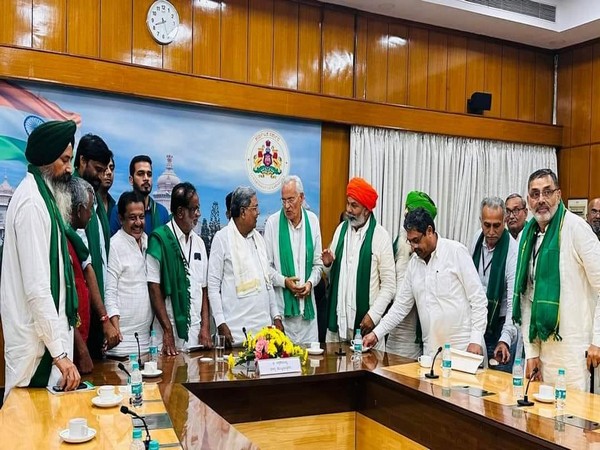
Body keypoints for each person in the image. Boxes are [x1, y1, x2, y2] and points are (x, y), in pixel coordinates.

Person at [1, 120, 81, 398]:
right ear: (47, 159)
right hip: (36, 353)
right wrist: (59, 354)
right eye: (65, 160)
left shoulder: (43, 198)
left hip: (47, 345)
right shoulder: (32, 203)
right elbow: (37, 287)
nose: (70, 169)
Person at [513, 169, 600, 391]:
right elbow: (526, 298)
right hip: (544, 352)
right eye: (535, 194)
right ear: (528, 200)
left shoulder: (576, 229)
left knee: (575, 420)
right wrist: (531, 352)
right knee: (541, 419)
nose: (541, 199)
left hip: (576, 351)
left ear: (559, 195)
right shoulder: (526, 236)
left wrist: (598, 341)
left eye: (547, 192)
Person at [363, 208, 488, 357]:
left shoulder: (456, 252)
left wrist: (475, 340)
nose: (413, 247)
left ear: (429, 231)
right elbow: (400, 307)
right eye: (410, 242)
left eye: (416, 240)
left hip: (463, 348)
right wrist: (376, 334)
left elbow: (478, 299)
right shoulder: (414, 264)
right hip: (433, 353)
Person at [322, 177, 396, 349]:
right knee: (336, 373)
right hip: (338, 325)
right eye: (348, 204)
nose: (348, 210)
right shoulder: (341, 230)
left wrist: (373, 315)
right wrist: (327, 265)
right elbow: (331, 276)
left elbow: (389, 286)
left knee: (366, 374)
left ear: (367, 210)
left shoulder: (380, 236)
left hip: (367, 328)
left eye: (354, 205)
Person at [208, 186, 282, 347]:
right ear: (242, 212)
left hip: (264, 335)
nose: (258, 213)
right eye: (254, 208)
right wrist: (220, 323)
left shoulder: (259, 240)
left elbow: (267, 282)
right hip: (235, 334)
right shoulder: (222, 239)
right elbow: (213, 287)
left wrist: (276, 316)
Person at [147, 182, 211, 355]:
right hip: (168, 335)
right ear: (181, 212)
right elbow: (154, 289)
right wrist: (168, 331)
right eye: (194, 209)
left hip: (195, 333)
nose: (198, 214)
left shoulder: (199, 243)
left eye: (199, 208)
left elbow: (203, 289)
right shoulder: (159, 239)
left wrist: (205, 327)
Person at [74, 133, 120, 357]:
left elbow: (103, 259)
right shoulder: (73, 197)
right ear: (82, 161)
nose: (102, 176)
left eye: (105, 170)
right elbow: (86, 264)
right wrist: (104, 318)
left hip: (98, 308)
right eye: (98, 169)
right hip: (83, 312)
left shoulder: (95, 200)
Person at [264, 175, 324, 344]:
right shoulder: (273, 223)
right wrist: (285, 282)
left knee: (310, 367)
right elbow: (266, 269)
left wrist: (310, 283)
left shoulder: (312, 221)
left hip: (308, 316)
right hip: (283, 314)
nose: (287, 206)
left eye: (291, 200)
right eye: (283, 201)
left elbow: (318, 265)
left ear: (302, 198)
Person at [387, 191, 437, 359]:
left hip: (407, 325)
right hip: (400, 317)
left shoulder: (410, 245)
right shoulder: (407, 240)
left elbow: (402, 288)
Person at [470, 197, 518, 373]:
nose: (490, 231)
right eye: (486, 225)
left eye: (496, 226)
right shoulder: (476, 238)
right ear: (481, 222)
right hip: (477, 322)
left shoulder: (512, 250)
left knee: (498, 389)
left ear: (505, 221)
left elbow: (513, 300)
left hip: (499, 325)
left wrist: (504, 339)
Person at [105, 191, 154, 357]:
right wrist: (115, 330)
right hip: (121, 346)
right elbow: (109, 293)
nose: (138, 223)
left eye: (141, 217)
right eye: (133, 218)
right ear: (121, 219)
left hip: (147, 342)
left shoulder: (149, 242)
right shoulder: (114, 246)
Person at [66, 177, 96, 375]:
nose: (92, 214)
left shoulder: (75, 241)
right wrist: (82, 349)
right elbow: (65, 304)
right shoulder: (64, 243)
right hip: (71, 348)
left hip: (78, 343)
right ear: (78, 210)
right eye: (89, 208)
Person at [109, 155, 169, 236]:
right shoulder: (119, 211)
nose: (146, 178)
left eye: (149, 174)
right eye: (141, 174)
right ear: (131, 180)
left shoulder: (162, 212)